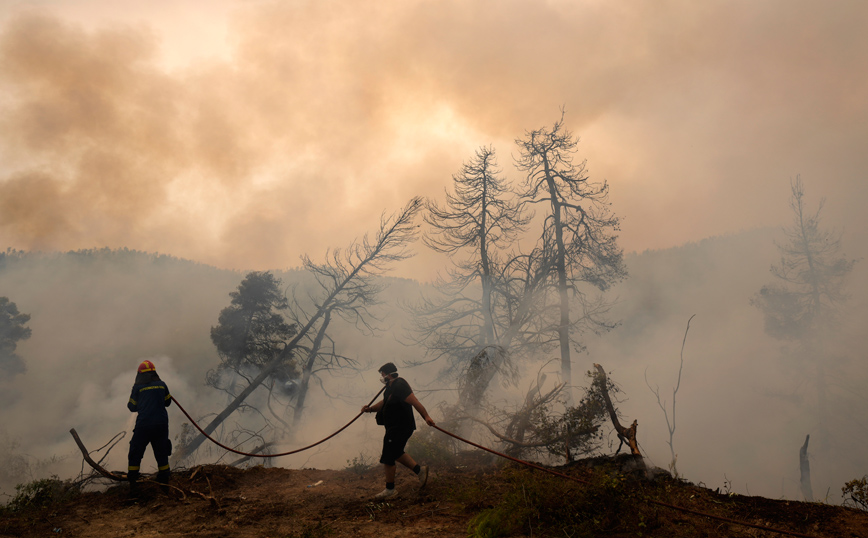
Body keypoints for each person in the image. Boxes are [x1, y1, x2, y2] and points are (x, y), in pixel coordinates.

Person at [361, 362, 435, 499]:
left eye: (382, 374)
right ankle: (420, 471)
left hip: (400, 427)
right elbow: (384, 403)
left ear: (389, 374)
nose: (382, 377)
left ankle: (390, 490)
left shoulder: (400, 385)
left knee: (388, 455)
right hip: (394, 427)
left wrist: (426, 417)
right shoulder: (389, 388)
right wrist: (370, 409)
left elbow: (415, 401)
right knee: (396, 452)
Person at [127, 360, 172, 496]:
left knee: (136, 452)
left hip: (144, 425)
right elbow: (168, 402)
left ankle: (133, 486)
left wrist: (143, 401)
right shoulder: (162, 385)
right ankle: (165, 485)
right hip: (161, 425)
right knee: (161, 453)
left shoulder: (137, 388)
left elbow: (131, 407)